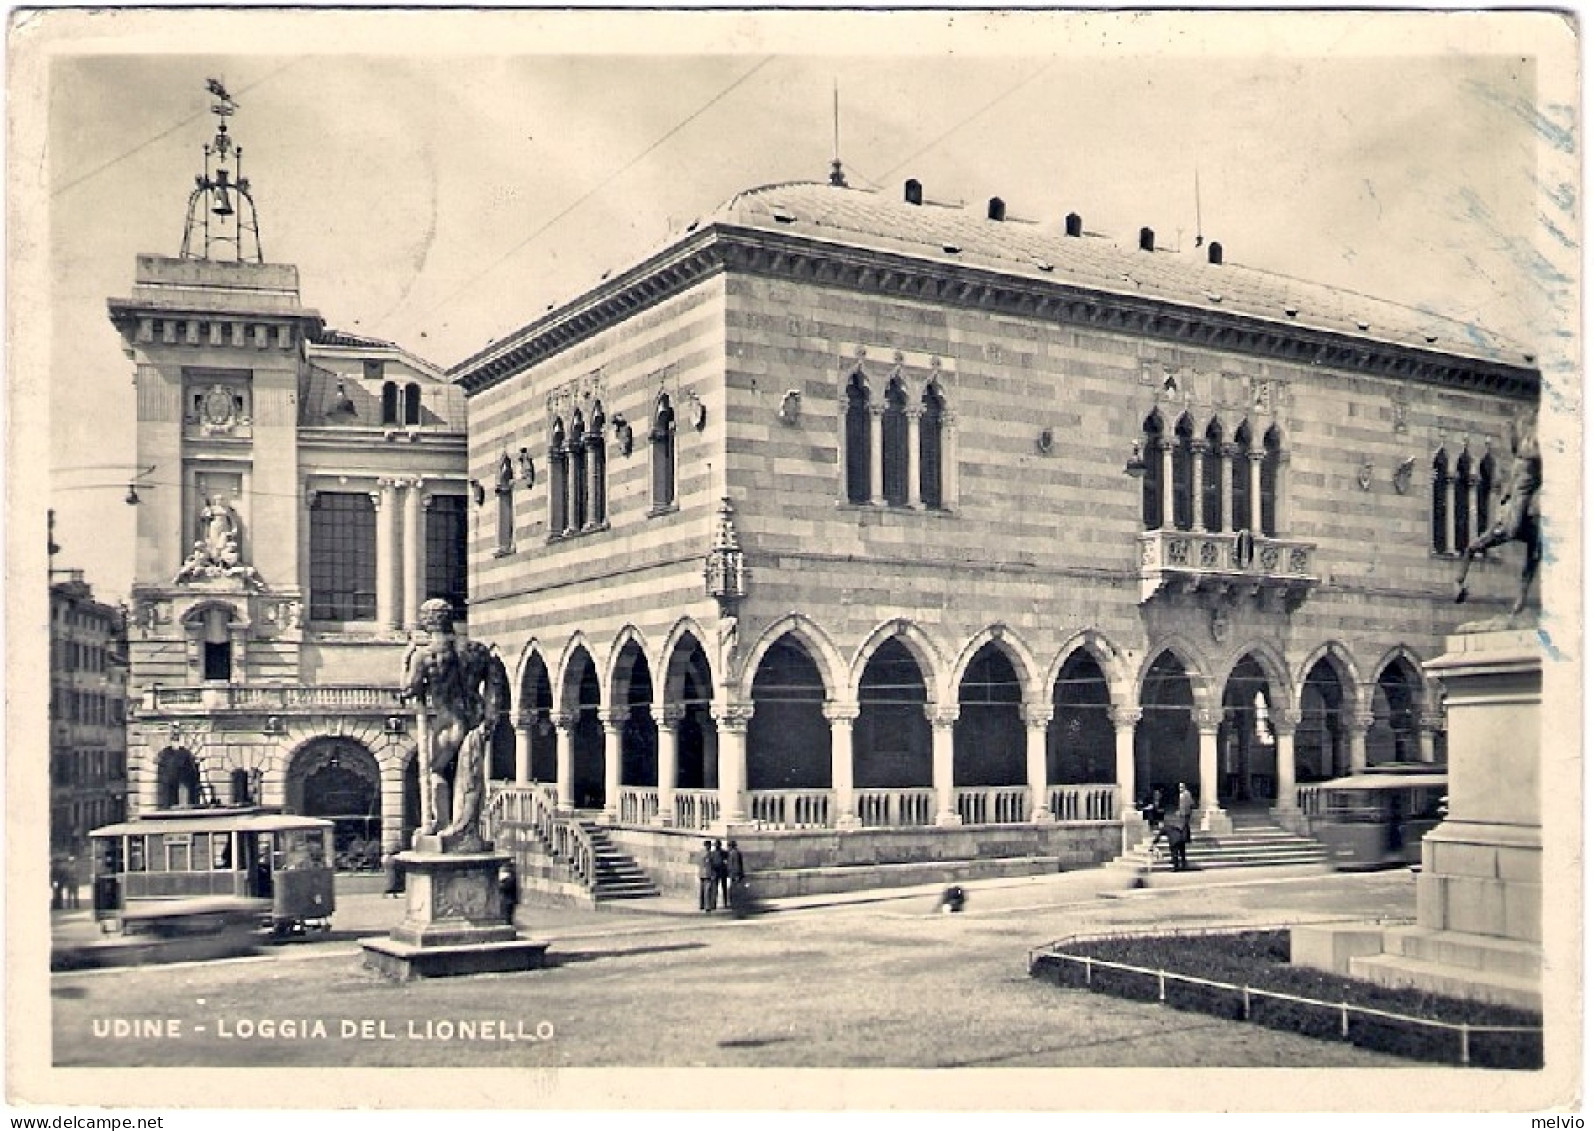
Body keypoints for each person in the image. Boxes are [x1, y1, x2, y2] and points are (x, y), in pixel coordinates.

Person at [697, 840, 718, 912]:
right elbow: (710, 865)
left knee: (702, 890)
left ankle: (701, 905)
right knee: (707, 891)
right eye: (709, 845)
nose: (710, 847)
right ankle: (707, 906)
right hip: (708, 874)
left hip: (701, 873)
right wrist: (713, 874)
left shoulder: (700, 853)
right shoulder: (709, 854)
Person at [724, 839, 746, 910]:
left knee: (735, 889)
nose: (728, 847)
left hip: (735, 875)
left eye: (729, 846)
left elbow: (736, 865)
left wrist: (736, 875)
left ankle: (736, 903)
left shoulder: (735, 853)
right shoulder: (733, 853)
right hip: (733, 874)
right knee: (734, 889)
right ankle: (735, 903)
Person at [713, 839, 730, 907]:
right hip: (716, 872)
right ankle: (714, 903)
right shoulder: (713, 853)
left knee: (724, 888)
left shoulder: (724, 852)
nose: (717, 846)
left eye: (718, 844)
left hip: (723, 871)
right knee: (715, 888)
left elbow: (728, 861)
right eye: (716, 844)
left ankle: (725, 903)